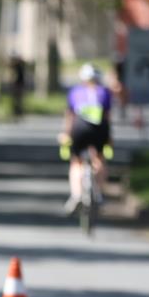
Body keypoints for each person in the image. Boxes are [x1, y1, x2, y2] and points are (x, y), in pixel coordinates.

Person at [59, 63, 112, 214]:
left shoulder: (75, 92)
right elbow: (107, 116)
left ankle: (76, 195)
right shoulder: (104, 92)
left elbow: (70, 116)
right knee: (99, 160)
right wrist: (109, 137)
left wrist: (66, 134)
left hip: (79, 128)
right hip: (99, 129)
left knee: (76, 162)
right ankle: (99, 194)